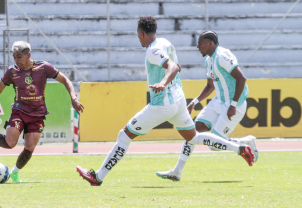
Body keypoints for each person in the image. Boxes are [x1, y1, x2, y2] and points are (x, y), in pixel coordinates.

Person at [76, 17, 255, 186]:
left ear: (141, 34)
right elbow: (177, 66)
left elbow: (172, 67)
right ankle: (239, 149)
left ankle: (97, 177)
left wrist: (162, 82)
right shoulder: (165, 43)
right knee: (194, 137)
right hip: (178, 100)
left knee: (124, 135)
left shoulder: (152, 51)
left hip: (163, 104)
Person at [0, 41, 84, 183]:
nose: (16, 60)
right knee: (10, 143)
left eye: (19, 57)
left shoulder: (44, 67)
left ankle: (15, 172)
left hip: (38, 113)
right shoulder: (12, 72)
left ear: (28, 55)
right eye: (14, 57)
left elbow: (65, 80)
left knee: (30, 147)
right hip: (19, 111)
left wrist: (73, 98)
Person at [156, 31, 259, 182]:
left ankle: (245, 142)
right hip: (218, 101)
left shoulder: (223, 56)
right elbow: (210, 86)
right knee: (193, 130)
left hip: (234, 105)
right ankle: (177, 171)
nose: (198, 46)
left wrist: (233, 105)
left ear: (211, 44)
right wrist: (194, 102)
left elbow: (241, 79)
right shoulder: (209, 60)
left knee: (215, 145)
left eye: (200, 43)